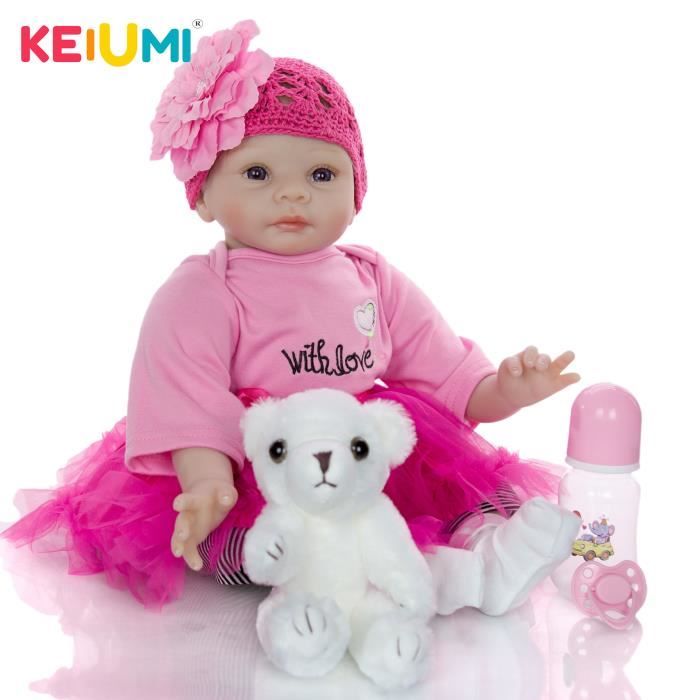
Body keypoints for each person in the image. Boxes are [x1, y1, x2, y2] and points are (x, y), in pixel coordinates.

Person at [1, 20, 581, 615]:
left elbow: (445, 375)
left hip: (357, 448)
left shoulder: (370, 277)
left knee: (467, 487)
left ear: (355, 192)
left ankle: (485, 552)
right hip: (261, 459)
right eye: (258, 174)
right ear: (203, 194)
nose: (294, 194)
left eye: (321, 175)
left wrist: (505, 390)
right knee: (242, 539)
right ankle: (342, 573)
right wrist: (207, 483)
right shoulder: (205, 289)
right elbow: (188, 401)